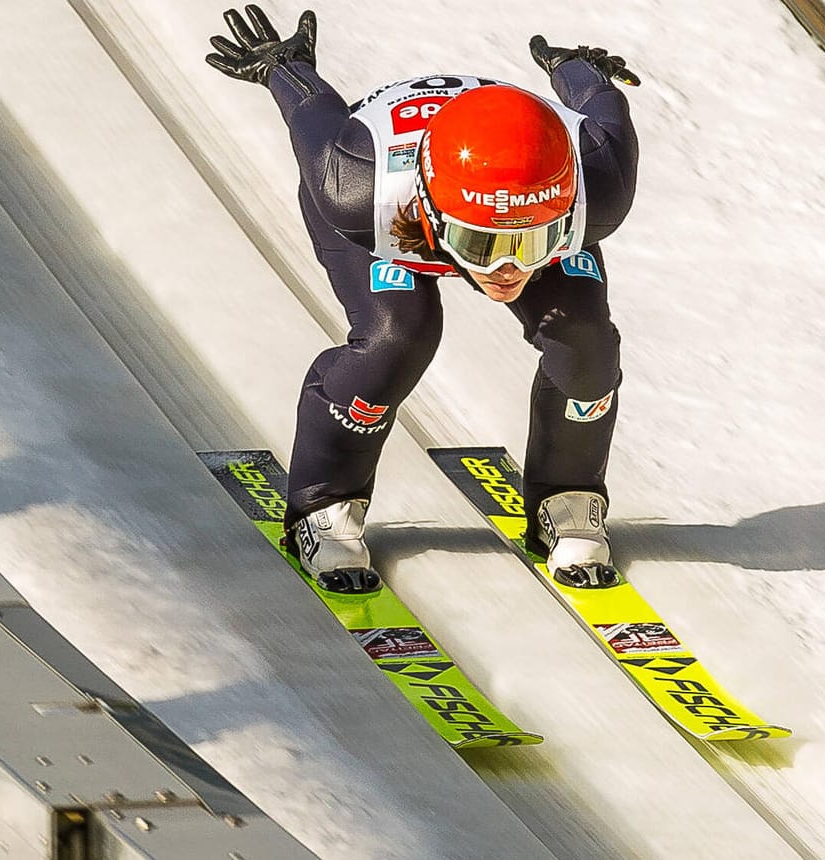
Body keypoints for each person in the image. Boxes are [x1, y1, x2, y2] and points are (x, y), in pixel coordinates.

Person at [206, 6, 640, 593]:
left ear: (564, 208)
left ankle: (567, 493)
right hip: (405, 219)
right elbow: (316, 116)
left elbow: (598, 101)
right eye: (482, 244)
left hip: (467, 208)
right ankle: (322, 504)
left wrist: (574, 68)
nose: (506, 269)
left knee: (587, 344)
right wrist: (286, 69)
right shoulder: (358, 185)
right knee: (397, 338)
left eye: (528, 243)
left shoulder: (598, 179)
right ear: (437, 212)